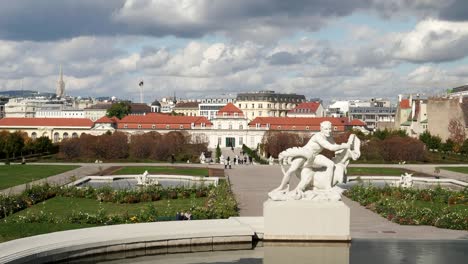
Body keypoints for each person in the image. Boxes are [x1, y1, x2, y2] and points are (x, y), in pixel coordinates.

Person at [273, 121, 350, 192]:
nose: (329, 131)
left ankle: (328, 186)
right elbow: (330, 147)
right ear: (321, 129)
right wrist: (344, 146)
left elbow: (334, 146)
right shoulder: (318, 136)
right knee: (291, 170)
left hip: (315, 156)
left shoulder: (329, 137)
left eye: (330, 129)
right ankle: (281, 187)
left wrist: (345, 147)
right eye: (326, 129)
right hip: (304, 155)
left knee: (330, 164)